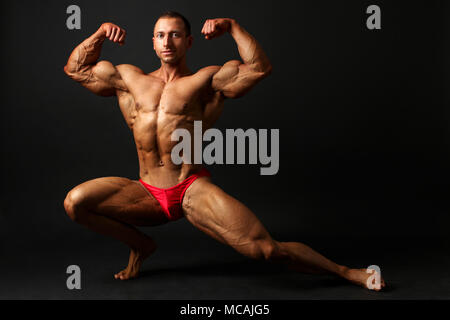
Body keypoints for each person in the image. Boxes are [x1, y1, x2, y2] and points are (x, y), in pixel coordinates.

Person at [63, 11, 385, 290]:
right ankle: (141, 245)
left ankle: (347, 272)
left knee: (268, 250)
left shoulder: (206, 81)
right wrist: (102, 32)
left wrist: (232, 27)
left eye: (175, 35)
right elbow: (76, 68)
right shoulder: (129, 79)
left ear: (189, 42)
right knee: (75, 203)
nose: (167, 42)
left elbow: (259, 68)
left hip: (190, 189)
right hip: (145, 192)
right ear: (152, 41)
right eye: (160, 35)